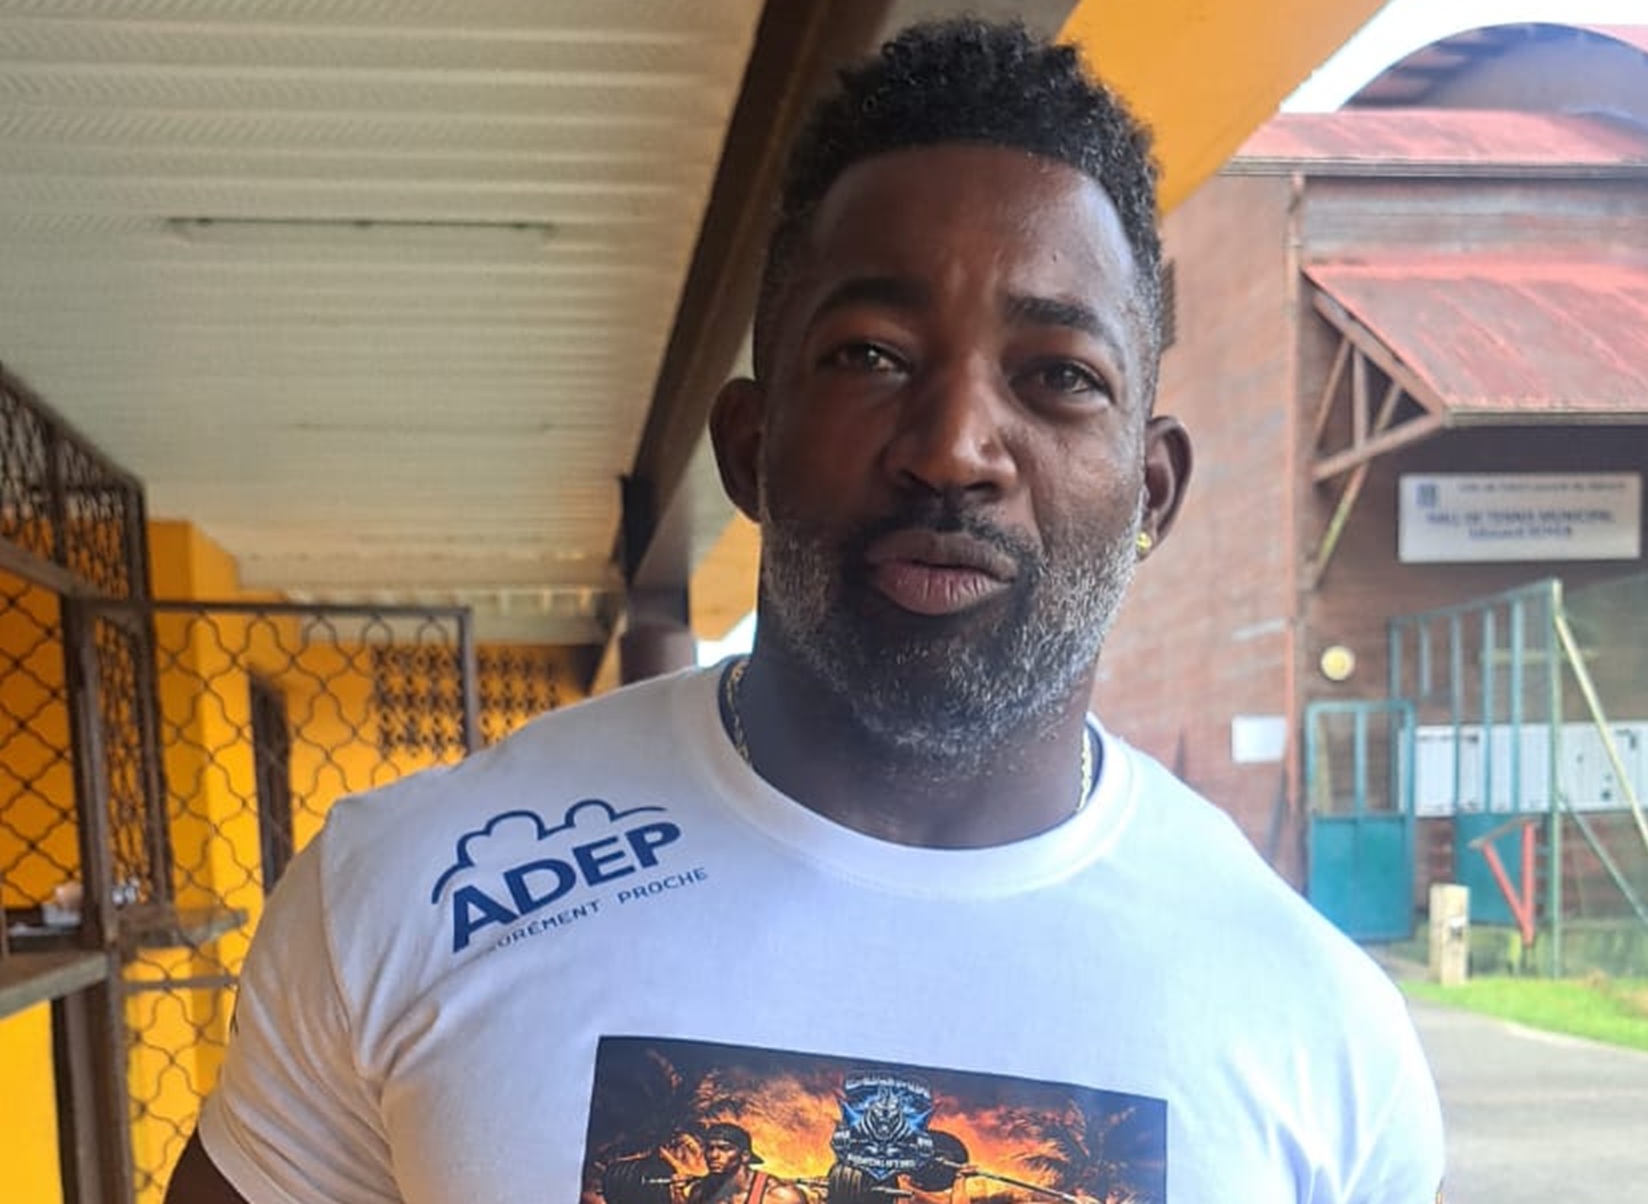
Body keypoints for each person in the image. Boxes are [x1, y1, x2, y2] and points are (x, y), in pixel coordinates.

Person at [168, 18, 1442, 1204]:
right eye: (871, 355)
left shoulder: (1319, 1034)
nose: (953, 446)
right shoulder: (414, 894)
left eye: (1057, 375)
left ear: (1149, 490)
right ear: (748, 446)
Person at [684, 1125, 805, 1204]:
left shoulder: (781, 1196)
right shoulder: (700, 1193)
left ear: (745, 1156)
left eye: (724, 1148)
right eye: (710, 1148)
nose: (714, 1155)